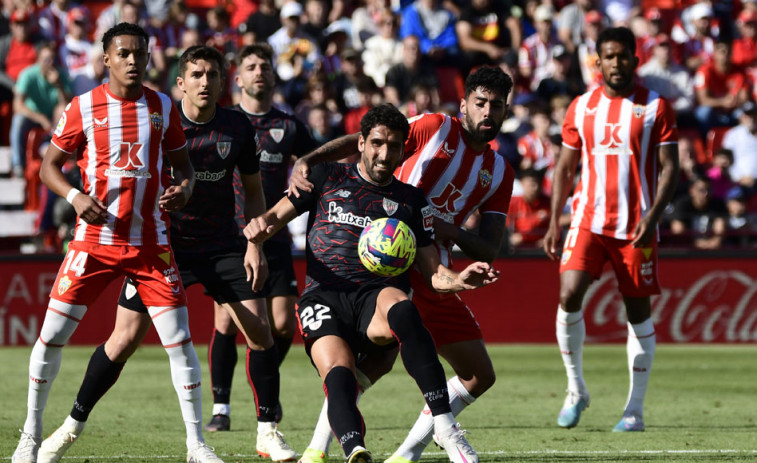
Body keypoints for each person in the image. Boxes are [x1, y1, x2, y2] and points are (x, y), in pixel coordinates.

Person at [36, 44, 299, 463]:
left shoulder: (236, 127)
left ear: (222, 82)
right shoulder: (157, 119)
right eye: (196, 75)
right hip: (162, 247)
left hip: (221, 246)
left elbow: (254, 192)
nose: (205, 83)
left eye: (212, 75)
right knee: (122, 341)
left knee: (262, 332)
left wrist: (255, 244)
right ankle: (69, 427)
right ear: (180, 83)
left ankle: (267, 431)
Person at [11, 23, 223, 463]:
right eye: (123, 53)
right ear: (106, 58)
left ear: (148, 58)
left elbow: (184, 170)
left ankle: (197, 445)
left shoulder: (163, 107)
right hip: (94, 241)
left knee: (180, 340)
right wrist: (74, 196)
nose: (131, 60)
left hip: (150, 243)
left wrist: (183, 190)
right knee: (50, 337)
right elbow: (50, 166)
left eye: (139, 53)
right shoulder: (83, 107)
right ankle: (30, 435)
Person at [246, 103, 499, 463]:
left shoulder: (411, 201)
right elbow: (271, 220)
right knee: (339, 373)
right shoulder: (325, 178)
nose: (385, 154)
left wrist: (460, 280)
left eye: (394, 146)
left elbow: (434, 276)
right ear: (361, 142)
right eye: (377, 143)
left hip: (374, 298)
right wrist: (254, 240)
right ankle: (354, 451)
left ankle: (444, 424)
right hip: (323, 297)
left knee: (403, 305)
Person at [543, 26, 680, 432]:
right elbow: (566, 169)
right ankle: (576, 389)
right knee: (568, 294)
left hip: (637, 225)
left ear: (635, 61)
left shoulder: (656, 107)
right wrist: (554, 220)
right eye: (609, 56)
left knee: (638, 312)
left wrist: (653, 217)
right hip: (588, 220)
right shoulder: (581, 107)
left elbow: (670, 168)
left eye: (623, 56)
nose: (616, 63)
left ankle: (633, 411)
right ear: (597, 61)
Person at [200, 42, 318, 433]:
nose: (259, 72)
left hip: (274, 235)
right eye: (251, 66)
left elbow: (317, 162)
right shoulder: (226, 121)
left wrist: (304, 164)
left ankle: (263, 376)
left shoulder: (289, 125)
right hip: (230, 235)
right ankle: (221, 407)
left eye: (265, 66)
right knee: (227, 321)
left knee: (283, 326)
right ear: (238, 78)